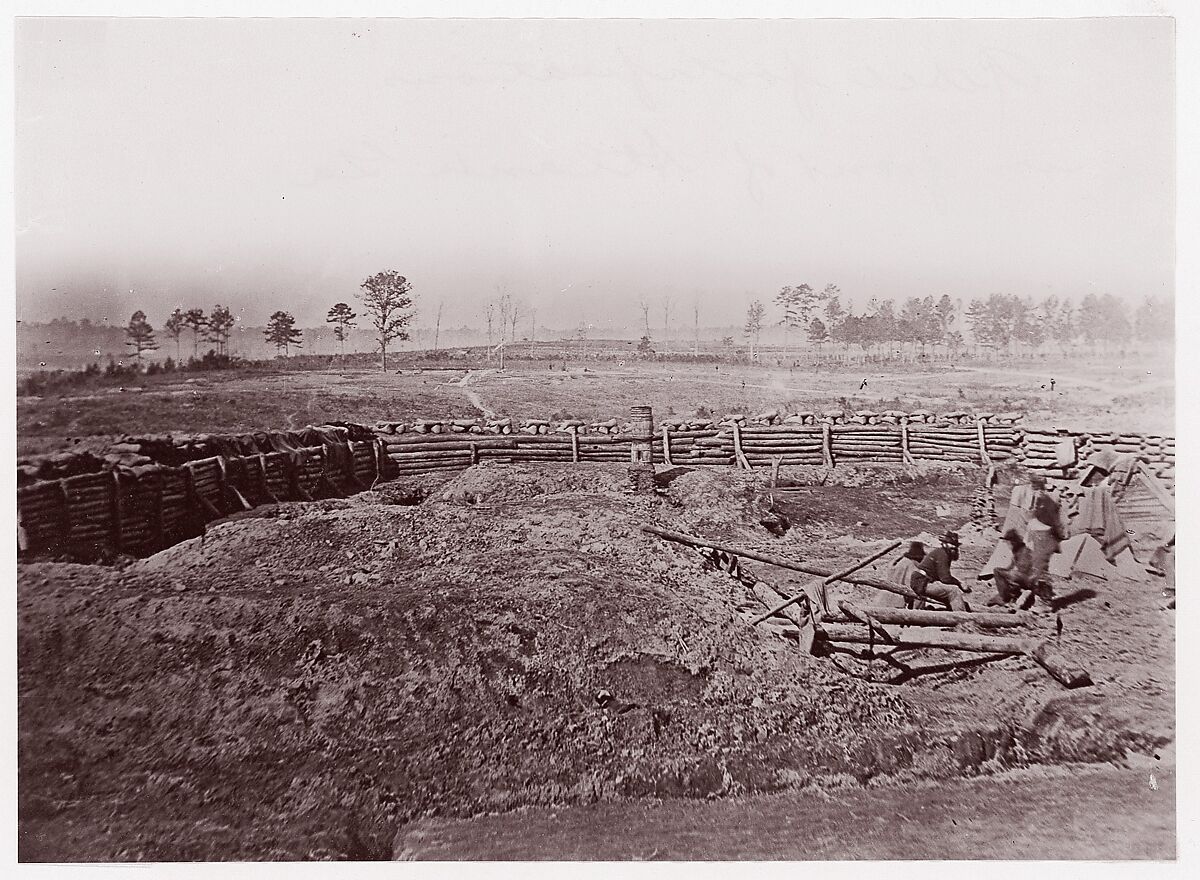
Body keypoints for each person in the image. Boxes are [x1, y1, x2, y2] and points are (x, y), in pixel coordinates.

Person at [913, 532, 970, 612]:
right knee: (954, 591)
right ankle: (962, 617)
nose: (954, 547)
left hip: (924, 581)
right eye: (951, 544)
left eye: (955, 545)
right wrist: (959, 583)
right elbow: (945, 578)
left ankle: (952, 613)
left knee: (948, 591)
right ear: (944, 544)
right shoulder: (943, 554)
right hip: (922, 582)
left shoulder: (943, 553)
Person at [986, 529, 1036, 606]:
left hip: (1028, 578)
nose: (1007, 545)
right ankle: (1011, 595)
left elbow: (1023, 569)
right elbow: (1011, 567)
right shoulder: (1017, 550)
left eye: (1008, 543)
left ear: (1013, 542)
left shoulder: (1024, 551)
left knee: (997, 571)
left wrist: (1007, 577)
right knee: (1000, 572)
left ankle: (1005, 598)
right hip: (1025, 577)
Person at [875, 541, 925, 608]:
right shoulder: (911, 565)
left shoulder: (898, 561)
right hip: (897, 601)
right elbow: (910, 586)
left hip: (882, 598)